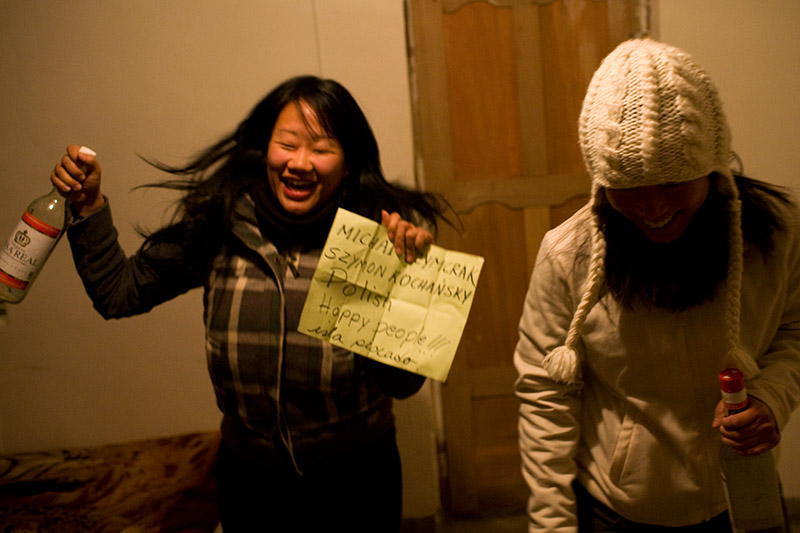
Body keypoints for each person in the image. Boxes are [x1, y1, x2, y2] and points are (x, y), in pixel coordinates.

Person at [51, 75, 451, 532]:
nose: (300, 163)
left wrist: (408, 283)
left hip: (356, 479)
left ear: (347, 163)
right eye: (287, 144)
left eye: (321, 148)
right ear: (265, 148)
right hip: (250, 480)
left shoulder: (375, 243)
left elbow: (402, 385)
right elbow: (116, 293)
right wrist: (88, 205)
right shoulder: (220, 226)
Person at [514, 38, 800, 531]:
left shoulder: (774, 235)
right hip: (619, 510)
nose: (653, 208)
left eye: (671, 183)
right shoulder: (568, 256)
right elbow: (545, 396)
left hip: (746, 495)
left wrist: (772, 395)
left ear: (710, 167)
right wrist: (552, 525)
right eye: (628, 188)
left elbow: (794, 331)